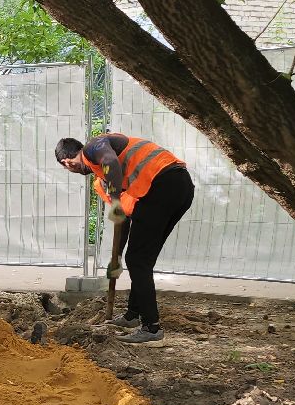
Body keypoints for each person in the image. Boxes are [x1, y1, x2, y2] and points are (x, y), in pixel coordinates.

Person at [56, 133, 195, 344]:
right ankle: (133, 315)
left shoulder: (94, 148)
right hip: (178, 187)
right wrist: (117, 256)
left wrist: (114, 200)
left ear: (66, 162)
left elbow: (112, 164)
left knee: (138, 261)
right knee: (141, 260)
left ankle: (151, 327)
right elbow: (126, 216)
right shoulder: (101, 178)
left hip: (164, 184)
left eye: (66, 167)